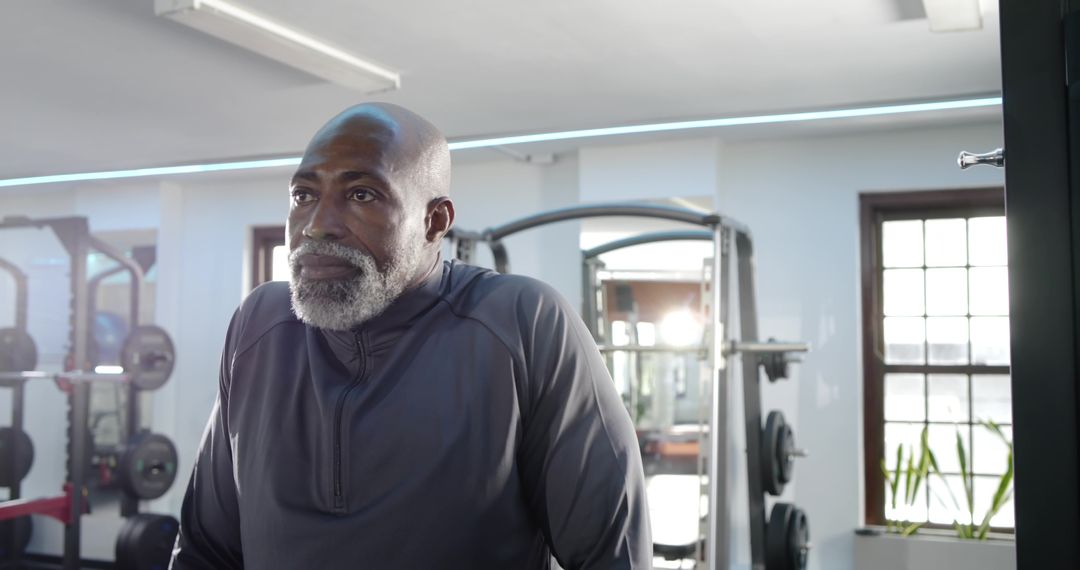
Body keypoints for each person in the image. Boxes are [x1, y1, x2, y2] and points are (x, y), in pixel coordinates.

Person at [169, 103, 652, 569]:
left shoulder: (522, 322)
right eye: (304, 195)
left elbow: (613, 556)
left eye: (361, 194)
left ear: (434, 221)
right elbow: (205, 549)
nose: (318, 226)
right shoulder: (261, 324)